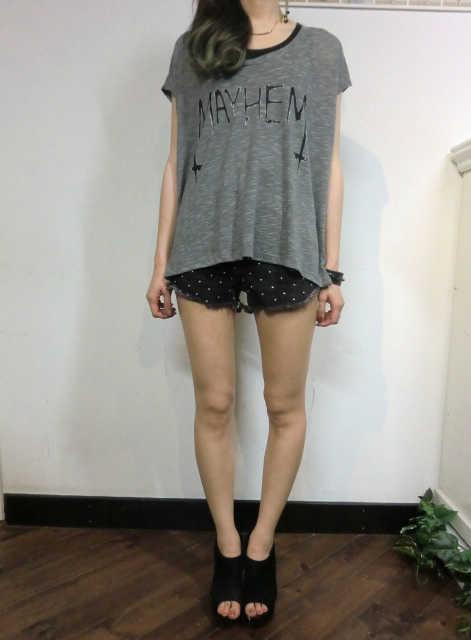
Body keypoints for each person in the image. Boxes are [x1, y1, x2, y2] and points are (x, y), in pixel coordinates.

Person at [146, 0, 351, 627]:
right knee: (214, 404)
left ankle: (261, 545)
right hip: (202, 244)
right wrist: (159, 264)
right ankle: (226, 544)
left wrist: (332, 267)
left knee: (284, 407)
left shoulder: (320, 50)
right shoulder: (193, 49)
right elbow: (177, 160)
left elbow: (329, 160)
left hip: (288, 245)